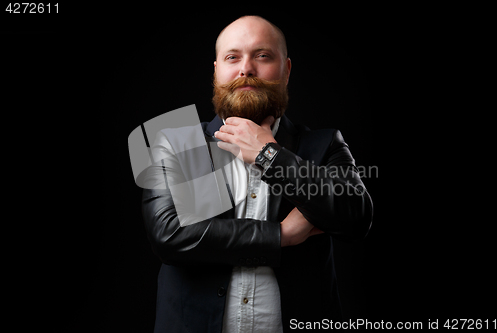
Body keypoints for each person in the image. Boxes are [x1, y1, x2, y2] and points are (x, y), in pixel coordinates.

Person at [141, 15, 373, 333]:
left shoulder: (324, 144)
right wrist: (281, 236)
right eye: (232, 57)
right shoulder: (176, 143)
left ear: (286, 70)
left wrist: (269, 156)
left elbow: (357, 218)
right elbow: (169, 236)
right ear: (216, 71)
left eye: (262, 56)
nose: (246, 68)